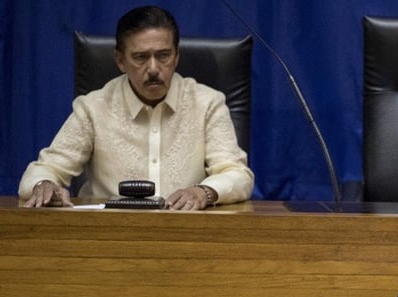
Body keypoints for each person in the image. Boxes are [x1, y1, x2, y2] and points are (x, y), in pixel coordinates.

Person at [17, 6, 254, 210]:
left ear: (177, 56)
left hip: (185, 231)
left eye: (163, 56)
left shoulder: (207, 103)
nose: (153, 68)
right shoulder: (93, 107)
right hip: (108, 235)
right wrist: (43, 184)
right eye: (140, 57)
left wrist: (204, 192)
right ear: (120, 60)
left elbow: (238, 175)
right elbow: (46, 169)